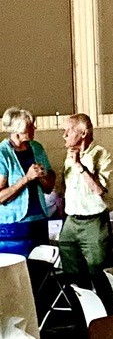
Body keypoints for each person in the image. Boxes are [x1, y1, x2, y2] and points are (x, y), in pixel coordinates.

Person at [58, 113, 113, 294]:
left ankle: (106, 310)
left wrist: (80, 166)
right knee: (71, 275)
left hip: (94, 222)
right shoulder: (69, 155)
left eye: (69, 131)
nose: (64, 135)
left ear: (83, 133)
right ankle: (79, 311)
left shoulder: (102, 154)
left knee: (99, 273)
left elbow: (99, 190)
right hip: (71, 221)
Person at [0, 107, 55, 256]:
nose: (34, 128)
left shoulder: (37, 148)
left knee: (41, 266)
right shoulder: (2, 153)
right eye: (30, 126)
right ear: (17, 130)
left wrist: (41, 176)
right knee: (17, 268)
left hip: (39, 220)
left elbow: (49, 187)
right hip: (13, 226)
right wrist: (26, 178)